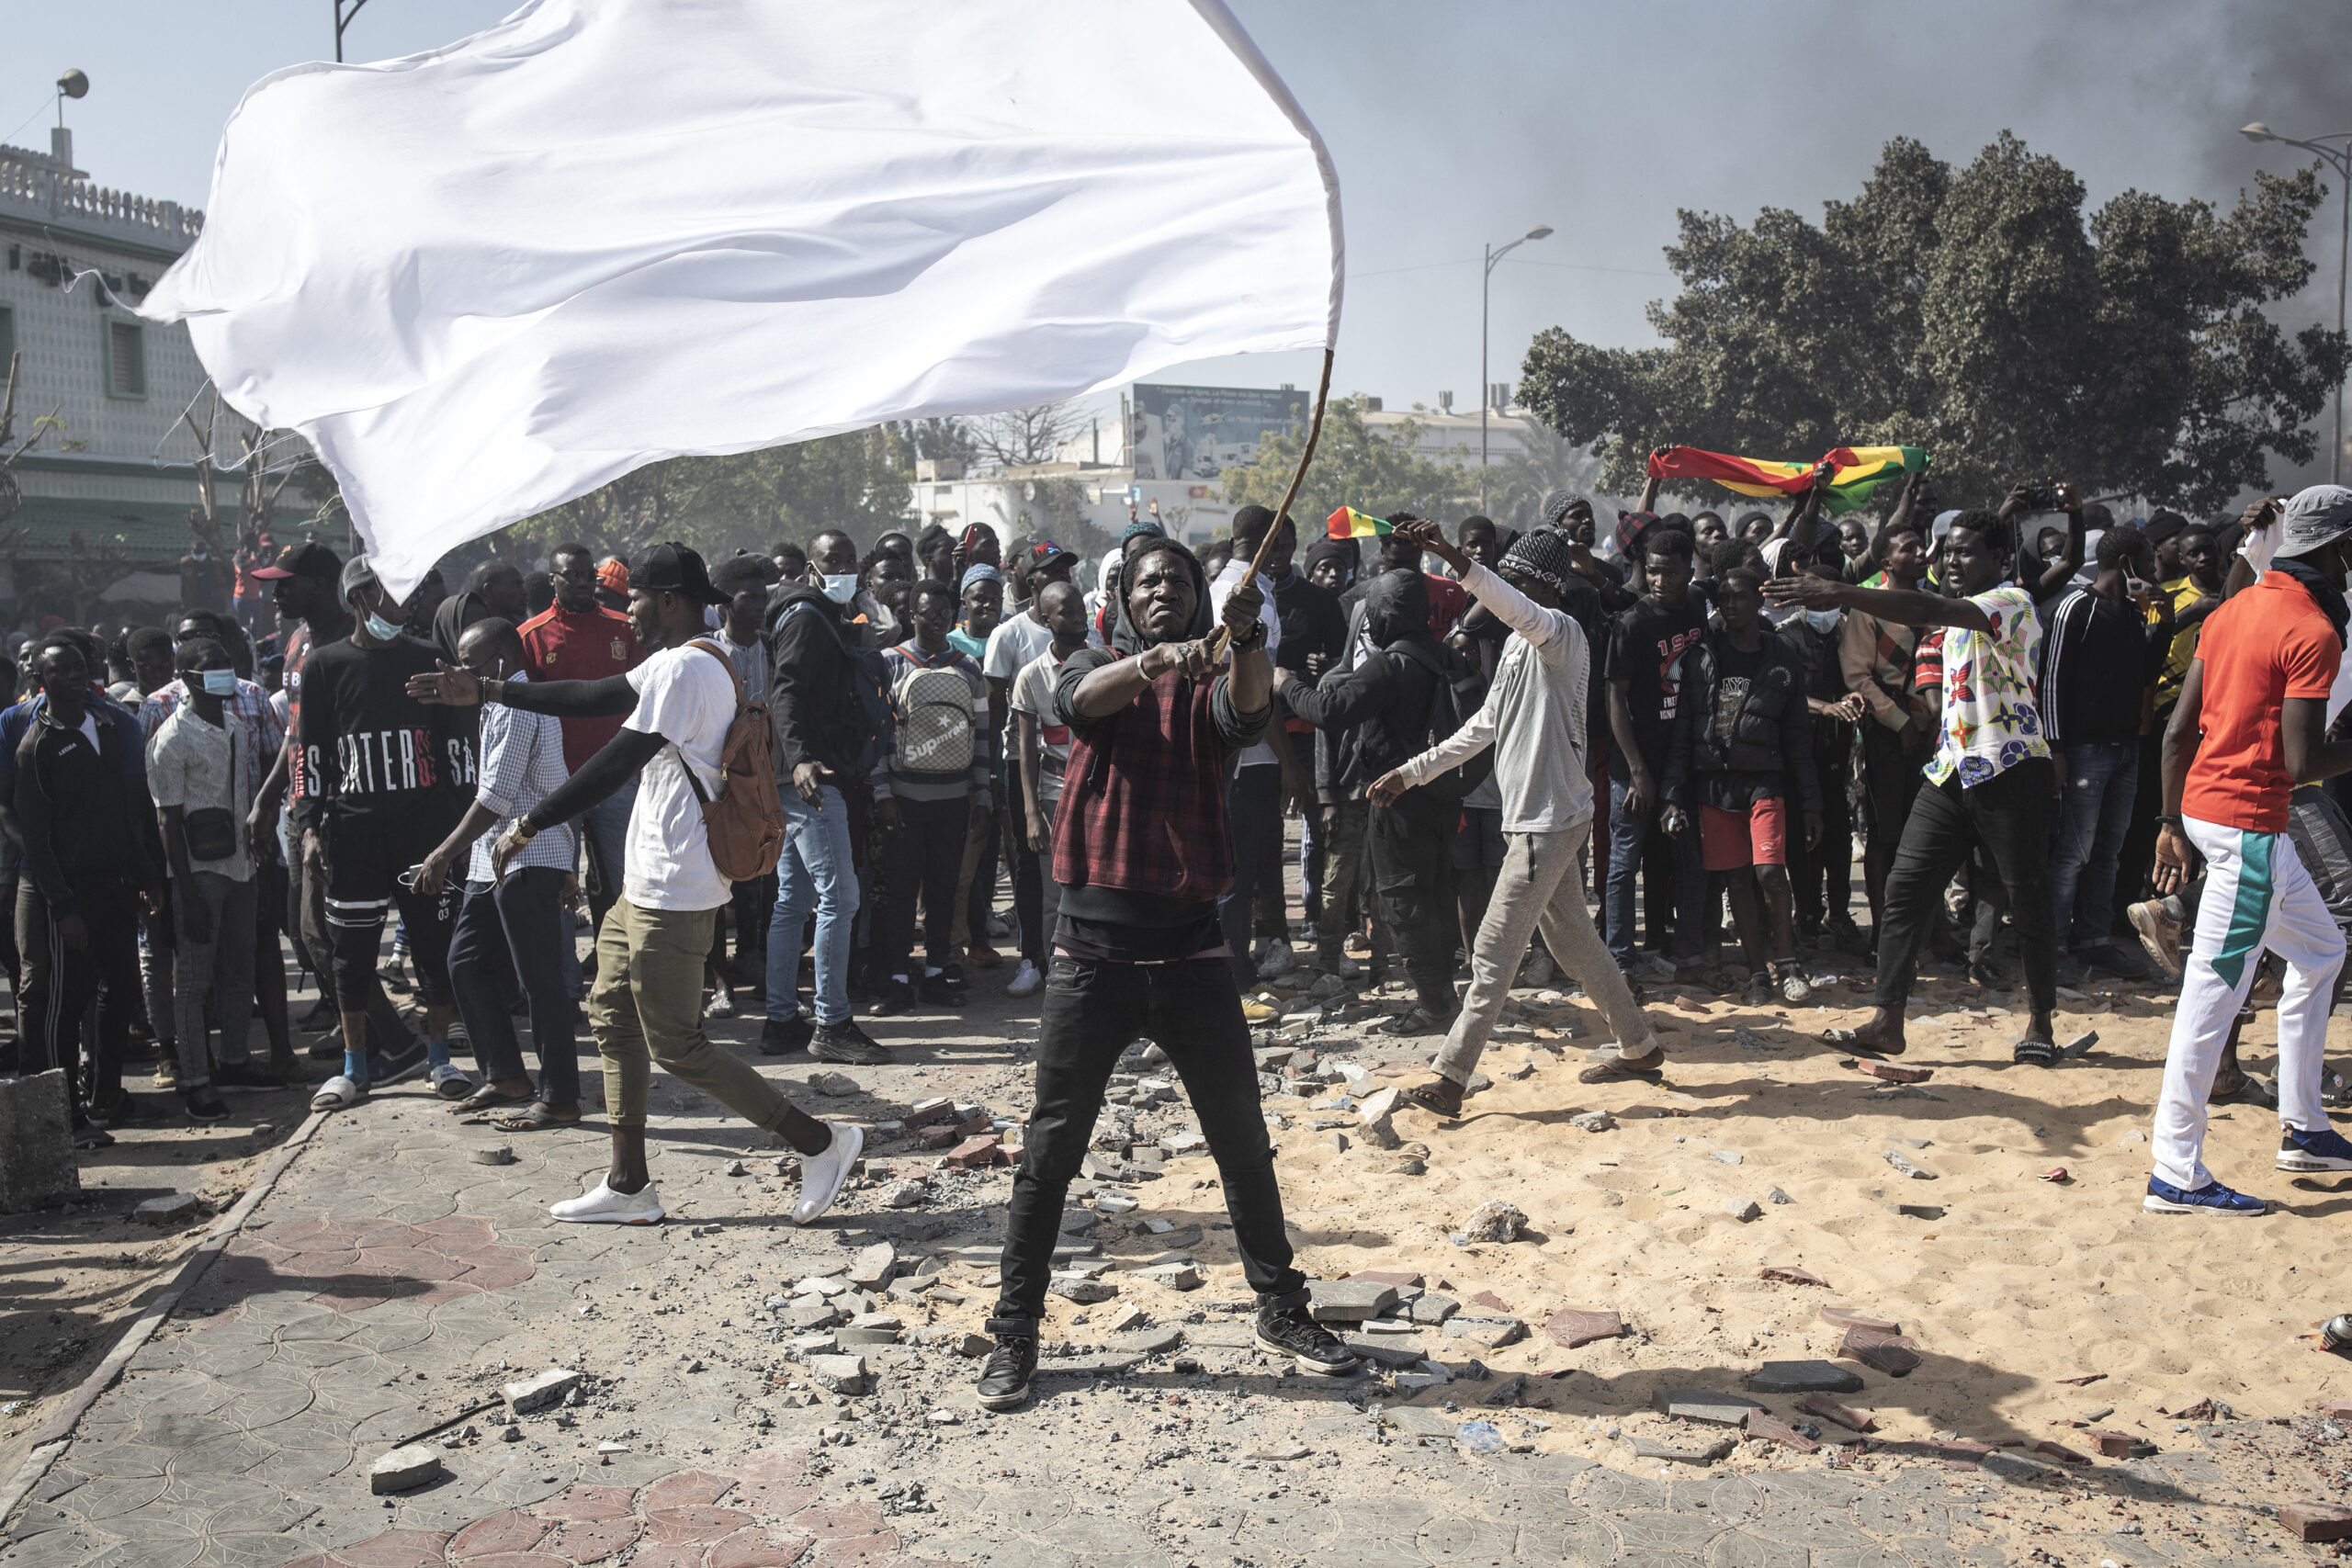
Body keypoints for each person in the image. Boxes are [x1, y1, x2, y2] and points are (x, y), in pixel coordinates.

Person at [977, 536, 1360, 1411]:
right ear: (1124, 596)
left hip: (1190, 950)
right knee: (1050, 1149)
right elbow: (1077, 702)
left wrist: (1249, 638)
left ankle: (1280, 1305)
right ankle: (1017, 1329)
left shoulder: (1214, 676)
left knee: (1240, 1138)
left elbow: (1248, 714)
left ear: (1196, 600)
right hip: (1092, 956)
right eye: (1150, 583)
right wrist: (1157, 660)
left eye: (1179, 585)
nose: (1164, 593)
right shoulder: (1093, 658)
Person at [411, 542, 862, 1228]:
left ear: (671, 601)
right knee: (612, 1015)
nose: (629, 612)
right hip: (646, 883)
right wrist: (491, 690)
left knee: (678, 1043)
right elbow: (589, 695)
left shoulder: (687, 670)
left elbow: (614, 762)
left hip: (677, 886)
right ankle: (628, 1183)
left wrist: (529, 824)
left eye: (638, 600)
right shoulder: (679, 660)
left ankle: (822, 1142)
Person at [1368, 524, 1664, 1113]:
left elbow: (1519, 609)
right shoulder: (1515, 648)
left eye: (1517, 582)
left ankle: (1450, 1077)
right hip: (1543, 819)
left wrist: (1456, 559)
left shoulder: (1563, 635)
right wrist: (1413, 771)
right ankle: (1639, 1045)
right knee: (1576, 944)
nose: (1498, 596)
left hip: (1547, 823)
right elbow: (1483, 729)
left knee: (1492, 953)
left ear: (1542, 588)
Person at [1766, 491, 2069, 1064]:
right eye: (1948, 553)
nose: (1952, 563)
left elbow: (1932, 609)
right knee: (1904, 889)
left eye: (1967, 553)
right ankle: (1888, 1019)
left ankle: (2041, 1024)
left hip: (2009, 766)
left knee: (2025, 899)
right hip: (1953, 767)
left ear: (2001, 558)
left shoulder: (2012, 601)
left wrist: (1837, 591)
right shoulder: (1952, 616)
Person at [2144, 489, 2352, 1214]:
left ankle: (2306, 1126)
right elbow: (2302, 764)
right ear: (2339, 550)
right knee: (2211, 994)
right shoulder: (2313, 629)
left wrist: (2171, 818)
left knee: (2323, 952)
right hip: (2253, 830)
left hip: (2209, 809)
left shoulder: (2234, 608)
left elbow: (2177, 731)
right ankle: (2176, 1170)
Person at [297, 555, 469, 1111]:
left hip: (423, 834)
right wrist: (309, 828)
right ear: (361, 598)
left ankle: (440, 1059)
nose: (407, 603)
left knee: (432, 947)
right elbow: (312, 752)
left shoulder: (426, 659)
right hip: (353, 834)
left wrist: (456, 834)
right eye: (394, 593)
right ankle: (354, 1068)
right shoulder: (324, 665)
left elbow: (455, 749)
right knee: (352, 953)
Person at [414, 617, 582, 1131]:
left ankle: (560, 1098)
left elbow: (497, 797)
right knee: (464, 962)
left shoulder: (518, 702)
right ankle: (507, 1075)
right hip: (495, 858)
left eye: (469, 665)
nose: (460, 674)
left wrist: (443, 852)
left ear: (501, 663)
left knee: (539, 982)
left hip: (530, 853)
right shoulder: (494, 704)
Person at [1280, 570, 1460, 1035]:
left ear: (1384, 617)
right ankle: (1446, 996)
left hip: (1395, 802)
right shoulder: (1448, 658)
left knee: (1403, 901)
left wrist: (1285, 684)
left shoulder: (1390, 665)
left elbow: (1329, 712)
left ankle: (1435, 1006)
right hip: (1443, 797)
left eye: (1373, 614)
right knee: (1437, 895)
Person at [17, 636, 159, 1145]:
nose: (75, 676)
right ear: (42, 681)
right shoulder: (38, 745)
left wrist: (145, 877)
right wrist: (63, 907)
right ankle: (66, 1117)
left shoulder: (108, 726)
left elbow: (126, 816)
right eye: (62, 670)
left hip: (115, 888)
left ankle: (106, 1095)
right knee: (64, 1001)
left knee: (118, 989)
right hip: (70, 896)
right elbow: (37, 838)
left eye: (79, 667)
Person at [1661, 570, 1822, 1003]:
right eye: (1724, 598)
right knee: (1736, 880)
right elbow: (1683, 732)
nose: (1729, 605)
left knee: (1769, 872)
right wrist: (1673, 795)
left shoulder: (1781, 656)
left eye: (1739, 597)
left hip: (1765, 781)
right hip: (1714, 784)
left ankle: (1787, 963)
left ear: (1758, 601)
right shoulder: (1701, 658)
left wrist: (1811, 803)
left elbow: (1798, 737)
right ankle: (1756, 972)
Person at [763, 557, 887, 1064]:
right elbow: (785, 691)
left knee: (793, 899)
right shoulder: (808, 618)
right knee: (840, 896)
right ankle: (832, 1022)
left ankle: (780, 1020)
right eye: (832, 561)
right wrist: (799, 760)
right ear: (811, 568)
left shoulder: (817, 614)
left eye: (848, 561)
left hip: (798, 774)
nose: (843, 570)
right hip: (813, 777)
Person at [146, 635, 274, 1121]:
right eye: (212, 665)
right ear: (188, 676)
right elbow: (167, 821)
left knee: (239, 968)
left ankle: (236, 1060)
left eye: (226, 663)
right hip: (199, 874)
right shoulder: (171, 740)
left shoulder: (237, 725)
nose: (225, 672)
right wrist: (187, 892)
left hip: (242, 865)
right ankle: (197, 1081)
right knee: (195, 981)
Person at [2039, 525, 2167, 979]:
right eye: (2148, 561)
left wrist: (2164, 623)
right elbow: (2051, 681)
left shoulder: (2132, 614)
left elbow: (2143, 675)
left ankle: (2094, 939)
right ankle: (2049, 948)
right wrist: (2055, 748)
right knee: (2073, 852)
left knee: (2107, 852)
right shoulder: (2077, 607)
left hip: (2125, 748)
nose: (2154, 571)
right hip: (2084, 750)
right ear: (2127, 562)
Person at [872, 581, 991, 1017]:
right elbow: (879, 735)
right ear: (912, 615)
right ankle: (899, 979)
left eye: (944, 613)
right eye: (928, 613)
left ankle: (938, 972)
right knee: (901, 892)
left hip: (954, 799)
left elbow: (981, 736)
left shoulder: (969, 668)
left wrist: (983, 794)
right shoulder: (890, 663)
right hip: (902, 799)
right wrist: (882, 791)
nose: (937, 620)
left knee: (943, 891)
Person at [519, 544, 645, 944]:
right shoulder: (532, 635)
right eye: (569, 575)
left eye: (585, 574)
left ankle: (624, 970)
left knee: (630, 880)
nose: (579, 582)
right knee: (561, 886)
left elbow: (646, 692)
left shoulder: (623, 627)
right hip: (559, 783)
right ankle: (567, 989)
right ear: (552, 579)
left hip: (617, 778)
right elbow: (526, 712)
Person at [1602, 525, 1709, 979]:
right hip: (1636, 763)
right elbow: (1615, 698)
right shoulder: (1633, 624)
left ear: (1689, 571)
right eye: (1653, 571)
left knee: (1683, 859)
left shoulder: (1697, 610)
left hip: (1681, 758)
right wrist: (1637, 770)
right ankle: (1619, 960)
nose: (1660, 580)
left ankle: (1682, 950)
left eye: (1670, 571)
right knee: (1624, 864)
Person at [1839, 485, 1936, 942]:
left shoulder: (1935, 603)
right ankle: (1884, 930)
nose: (1921, 553)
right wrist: (1900, 725)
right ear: (1886, 563)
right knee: (1884, 835)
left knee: (1930, 834)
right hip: (1887, 733)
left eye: (1921, 546)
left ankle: (1930, 927)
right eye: (1909, 548)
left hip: (1932, 730)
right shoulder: (1867, 606)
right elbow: (1859, 677)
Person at [1209, 507, 1291, 991]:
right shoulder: (1236, 596)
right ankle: (1230, 974)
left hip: (1257, 753)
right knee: (1234, 873)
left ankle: (1238, 967)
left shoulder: (1258, 590)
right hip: (1241, 754)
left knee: (1252, 866)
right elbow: (1246, 684)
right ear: (1269, 539)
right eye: (1280, 540)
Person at [1009, 580, 1091, 999]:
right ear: (1045, 619)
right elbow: (1026, 751)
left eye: (1080, 607)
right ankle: (1056, 970)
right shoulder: (1031, 676)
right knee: (1053, 890)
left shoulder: (1106, 662)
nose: (1077, 615)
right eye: (1065, 610)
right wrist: (1030, 812)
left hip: (1100, 794)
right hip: (1054, 794)